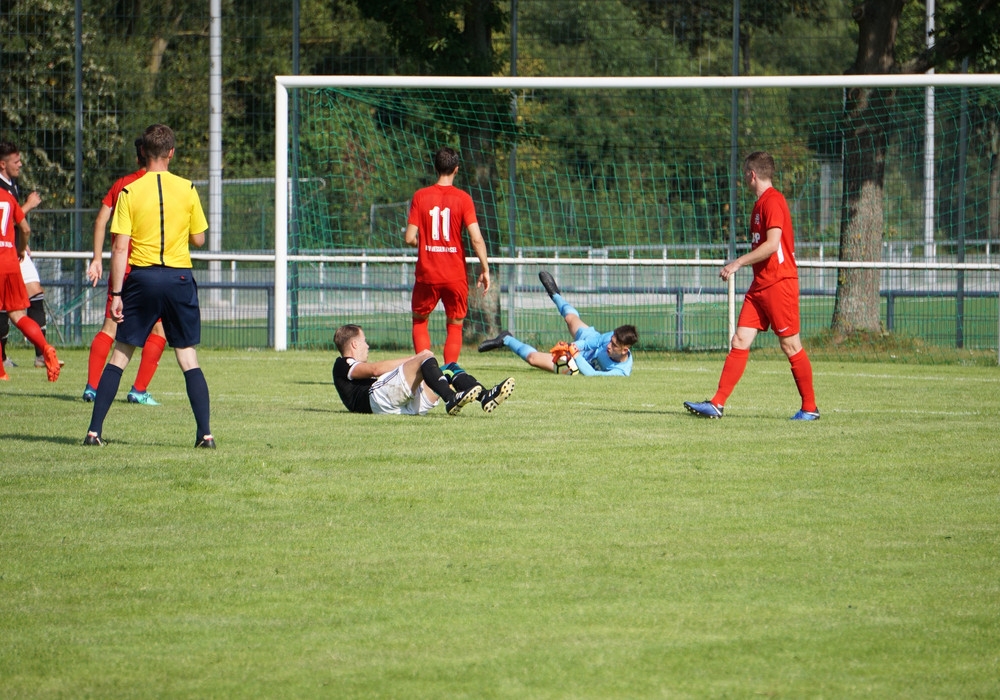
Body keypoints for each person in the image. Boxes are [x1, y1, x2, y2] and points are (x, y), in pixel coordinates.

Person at [84, 124, 214, 447]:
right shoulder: (188, 188)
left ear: (143, 152)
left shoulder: (129, 191)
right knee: (187, 357)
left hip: (141, 278)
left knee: (121, 355)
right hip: (178, 277)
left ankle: (94, 432)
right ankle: (205, 435)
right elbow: (199, 238)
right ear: (172, 152)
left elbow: (119, 248)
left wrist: (116, 293)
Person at [683, 151, 819, 421]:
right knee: (740, 340)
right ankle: (717, 403)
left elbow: (772, 245)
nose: (744, 178)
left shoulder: (773, 201)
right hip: (760, 286)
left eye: (745, 174)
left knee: (790, 345)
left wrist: (737, 263)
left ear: (752, 175)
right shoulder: (759, 205)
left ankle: (810, 408)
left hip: (780, 284)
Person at [83, 137, 166, 405]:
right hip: (148, 268)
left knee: (110, 326)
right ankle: (138, 390)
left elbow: (100, 220)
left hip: (121, 268)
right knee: (159, 330)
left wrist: (97, 258)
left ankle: (92, 388)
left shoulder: (121, 184)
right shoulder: (160, 185)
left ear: (138, 155)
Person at [404, 146, 490, 365]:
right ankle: (450, 373)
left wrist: (425, 244)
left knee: (420, 321)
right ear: (456, 169)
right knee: (454, 324)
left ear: (436, 167)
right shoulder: (463, 199)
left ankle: (426, 373)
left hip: (427, 273)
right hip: (455, 274)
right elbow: (477, 238)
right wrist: (485, 268)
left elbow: (409, 237)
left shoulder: (420, 196)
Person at [478, 270, 637, 377]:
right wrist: (575, 346)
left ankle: (505, 339)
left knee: (533, 359)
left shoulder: (621, 371)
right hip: (585, 345)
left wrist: (574, 355)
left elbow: (592, 375)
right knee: (571, 319)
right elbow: (591, 342)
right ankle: (555, 295)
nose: (609, 345)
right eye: (611, 341)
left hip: (578, 364)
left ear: (625, 350)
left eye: (615, 346)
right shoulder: (610, 337)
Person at [333, 324, 514, 416]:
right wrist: (416, 359)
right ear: (355, 344)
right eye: (364, 341)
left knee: (449, 369)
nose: (368, 345)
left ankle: (485, 397)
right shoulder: (342, 363)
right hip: (376, 400)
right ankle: (451, 398)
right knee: (425, 357)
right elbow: (375, 369)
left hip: (394, 407)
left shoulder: (349, 366)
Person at [0, 141, 55, 370]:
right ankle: (5, 359)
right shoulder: (5, 190)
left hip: (14, 251)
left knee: (34, 295)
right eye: (16, 161)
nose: (20, 164)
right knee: (12, 311)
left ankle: (41, 354)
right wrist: (29, 205)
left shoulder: (11, 184)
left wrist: (22, 245)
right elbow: (17, 219)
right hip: (12, 252)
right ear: (3, 164)